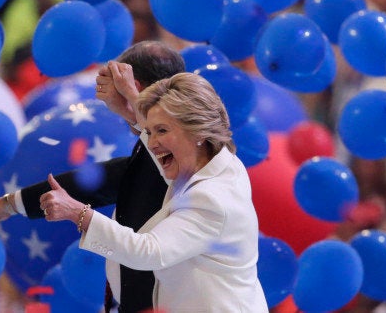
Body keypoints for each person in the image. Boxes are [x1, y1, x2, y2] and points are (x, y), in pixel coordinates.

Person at [0, 40, 185, 312]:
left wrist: (77, 214)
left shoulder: (191, 158)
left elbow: (143, 247)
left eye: (122, 89)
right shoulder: (153, 152)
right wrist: (7, 204)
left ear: (137, 87)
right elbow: (102, 180)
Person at [39, 72, 268, 312]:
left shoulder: (210, 199)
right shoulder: (220, 163)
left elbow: (148, 252)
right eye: (149, 132)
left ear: (198, 129)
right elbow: (169, 156)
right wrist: (133, 111)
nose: (150, 142)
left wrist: (79, 213)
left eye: (161, 131)